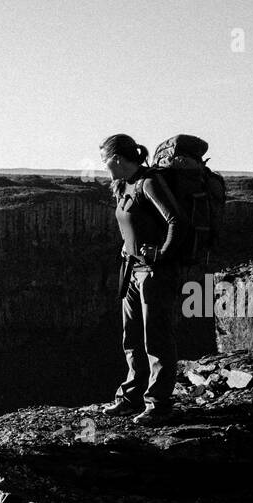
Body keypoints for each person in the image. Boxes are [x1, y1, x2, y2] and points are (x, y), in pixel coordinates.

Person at [99, 134, 188, 425]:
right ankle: (130, 398)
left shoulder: (148, 182)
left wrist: (161, 255)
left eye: (104, 161)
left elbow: (176, 221)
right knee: (132, 336)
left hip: (154, 273)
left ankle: (158, 404)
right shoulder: (122, 185)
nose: (103, 166)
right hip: (132, 271)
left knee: (157, 337)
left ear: (117, 159)